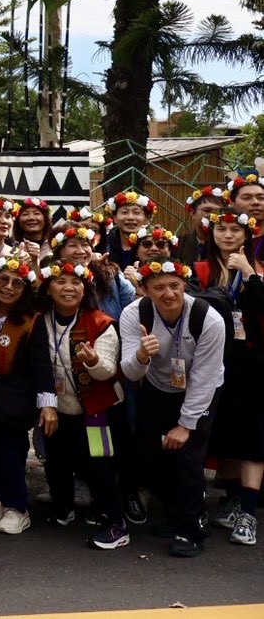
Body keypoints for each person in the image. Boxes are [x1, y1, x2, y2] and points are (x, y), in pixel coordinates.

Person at [120, 260, 227, 557]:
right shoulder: (134, 314)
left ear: (184, 285)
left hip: (199, 390)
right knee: (153, 453)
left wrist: (186, 424)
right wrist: (142, 354)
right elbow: (130, 372)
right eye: (159, 288)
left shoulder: (209, 319)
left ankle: (190, 530)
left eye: (174, 286)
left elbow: (205, 378)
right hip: (157, 387)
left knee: (188, 460)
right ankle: (175, 514)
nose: (168, 294)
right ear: (144, 290)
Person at [34, 261, 130, 549]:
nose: (67, 288)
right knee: (56, 460)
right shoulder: (41, 320)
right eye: (60, 281)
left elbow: (107, 371)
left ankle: (116, 523)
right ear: (48, 288)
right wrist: (47, 405)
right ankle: (63, 508)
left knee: (97, 464)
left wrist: (93, 362)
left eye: (75, 282)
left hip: (97, 408)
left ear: (85, 288)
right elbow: (38, 366)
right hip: (58, 405)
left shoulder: (101, 323)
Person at [192, 207, 264, 545]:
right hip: (213, 362)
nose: (229, 235)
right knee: (225, 435)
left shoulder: (258, 269)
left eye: (236, 229)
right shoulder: (200, 270)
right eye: (222, 229)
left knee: (252, 437)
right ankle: (233, 499)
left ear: (248, 235)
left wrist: (250, 274)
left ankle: (249, 512)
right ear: (211, 233)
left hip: (253, 363)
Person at [0, 253, 45, 536]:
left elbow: (41, 365)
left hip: (15, 397)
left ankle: (17, 506)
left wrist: (46, 403)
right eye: (3, 280)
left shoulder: (31, 321)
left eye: (16, 284)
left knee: (10, 449)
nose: (8, 287)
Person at [103, 191, 157, 270]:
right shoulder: (104, 242)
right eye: (124, 212)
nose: (130, 217)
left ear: (146, 219)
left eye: (136, 212)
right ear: (115, 218)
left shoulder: (156, 245)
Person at [177, 186, 228, 266]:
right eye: (207, 210)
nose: (212, 215)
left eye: (218, 211)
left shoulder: (229, 243)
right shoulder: (178, 244)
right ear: (193, 213)